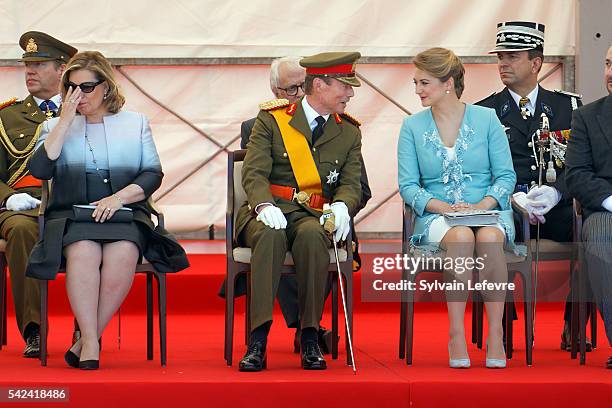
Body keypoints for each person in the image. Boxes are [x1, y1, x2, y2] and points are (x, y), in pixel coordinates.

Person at [25, 51, 189, 370]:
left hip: (124, 214)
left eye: (86, 87)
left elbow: (152, 174)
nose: (78, 95)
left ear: (106, 87)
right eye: (71, 88)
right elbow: (41, 169)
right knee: (84, 251)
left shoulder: (135, 123)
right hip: (72, 215)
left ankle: (87, 338)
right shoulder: (54, 126)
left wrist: (119, 199)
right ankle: (90, 340)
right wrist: (64, 123)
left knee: (124, 252)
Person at [224, 56, 372, 354]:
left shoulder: (349, 131)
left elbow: (351, 182)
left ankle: (309, 335)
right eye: (345, 86)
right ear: (319, 85)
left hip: (313, 215)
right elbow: (253, 172)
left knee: (312, 236)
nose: (351, 94)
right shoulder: (272, 118)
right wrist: (264, 205)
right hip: (268, 211)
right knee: (270, 235)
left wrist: (342, 205)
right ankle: (258, 338)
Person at [398, 47, 520, 369]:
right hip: (438, 215)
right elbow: (408, 185)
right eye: (416, 83)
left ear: (448, 83)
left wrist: (481, 204)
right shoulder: (411, 126)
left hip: (488, 209)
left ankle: (496, 334)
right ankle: (456, 333)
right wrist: (446, 208)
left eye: (424, 83)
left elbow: (506, 175)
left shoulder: (487, 119)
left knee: (490, 239)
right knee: (462, 235)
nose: (417, 90)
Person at [476, 21, 585, 351]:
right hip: (509, 209)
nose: (503, 64)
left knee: (597, 234)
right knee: (493, 237)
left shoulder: (568, 107)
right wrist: (512, 197)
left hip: (556, 207)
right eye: (500, 57)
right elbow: (480, 174)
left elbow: (581, 163)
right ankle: (505, 329)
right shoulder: (485, 111)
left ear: (536, 62)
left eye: (512, 56)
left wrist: (556, 192)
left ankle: (575, 322)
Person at [0, 31, 77, 358]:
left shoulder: (85, 110)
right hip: (23, 205)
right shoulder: (7, 115)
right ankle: (34, 330)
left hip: (72, 202)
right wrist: (7, 198)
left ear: (62, 70)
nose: (30, 71)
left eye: (40, 64)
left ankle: (85, 331)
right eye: (27, 65)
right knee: (20, 229)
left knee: (91, 231)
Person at [565, 45, 612, 369]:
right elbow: (576, 174)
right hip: (604, 209)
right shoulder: (587, 116)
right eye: (608, 63)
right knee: (600, 243)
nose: (609, 72)